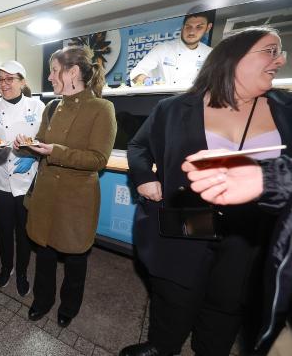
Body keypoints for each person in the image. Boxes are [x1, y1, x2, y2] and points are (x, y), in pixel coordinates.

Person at [122, 27, 290, 356]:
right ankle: (162, 345)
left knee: (228, 301)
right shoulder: (174, 108)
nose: (280, 59)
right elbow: (138, 146)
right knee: (175, 291)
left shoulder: (287, 109)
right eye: (270, 51)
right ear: (233, 57)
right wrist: (143, 177)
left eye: (280, 52)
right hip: (189, 218)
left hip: (251, 232)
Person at [13, 46, 116, 328]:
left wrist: (54, 151)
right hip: (45, 194)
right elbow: (41, 146)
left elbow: (99, 159)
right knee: (44, 252)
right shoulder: (51, 107)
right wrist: (26, 146)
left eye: (54, 71)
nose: (49, 77)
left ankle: (69, 306)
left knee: (75, 257)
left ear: (72, 73)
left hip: (76, 199)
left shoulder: (102, 108)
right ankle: (42, 300)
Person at [181, 153, 292, 356]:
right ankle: (167, 341)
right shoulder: (181, 120)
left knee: (228, 295)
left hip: (253, 228)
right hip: (199, 213)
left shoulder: (284, 120)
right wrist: (270, 178)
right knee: (185, 285)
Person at [0, 60, 45, 296]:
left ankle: (23, 271)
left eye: (9, 79)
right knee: (4, 228)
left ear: (22, 82)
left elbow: (44, 141)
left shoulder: (38, 107)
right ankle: (7, 267)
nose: (3, 84)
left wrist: (34, 157)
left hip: (28, 180)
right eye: (0, 80)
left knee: (24, 231)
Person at [129, 11, 213, 86]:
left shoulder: (211, 54)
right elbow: (136, 73)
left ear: (208, 28)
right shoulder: (162, 49)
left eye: (199, 27)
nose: (191, 32)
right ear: (182, 27)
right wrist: (146, 80)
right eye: (188, 26)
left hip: (195, 100)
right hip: (164, 99)